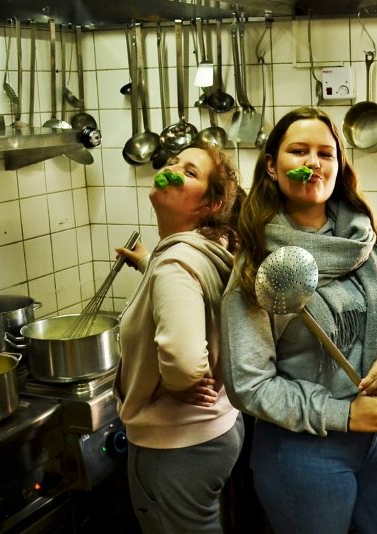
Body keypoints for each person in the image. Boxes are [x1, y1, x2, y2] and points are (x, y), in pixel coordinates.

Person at [219, 107, 377, 534]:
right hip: (301, 451)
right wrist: (344, 414)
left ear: (339, 165)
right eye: (299, 151)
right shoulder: (262, 265)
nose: (313, 162)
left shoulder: (365, 238)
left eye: (325, 153)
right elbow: (249, 384)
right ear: (272, 166)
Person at [114, 145, 245, 534]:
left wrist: (179, 382)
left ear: (210, 204)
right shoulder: (214, 246)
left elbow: (185, 363)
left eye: (189, 172)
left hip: (176, 445)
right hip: (219, 427)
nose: (171, 170)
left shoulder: (175, 263)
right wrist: (147, 262)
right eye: (173, 163)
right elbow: (195, 293)